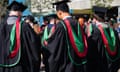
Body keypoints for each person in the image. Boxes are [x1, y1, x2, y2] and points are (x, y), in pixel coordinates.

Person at [46, 1, 87, 72]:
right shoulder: (77, 23)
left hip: (67, 65)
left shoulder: (61, 26)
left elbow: (56, 48)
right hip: (80, 63)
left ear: (59, 12)